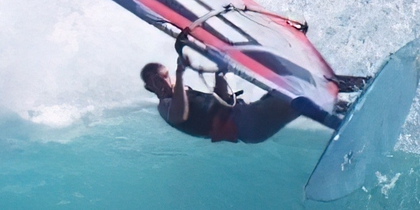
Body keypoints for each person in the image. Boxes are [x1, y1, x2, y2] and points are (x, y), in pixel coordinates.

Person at [139, 48, 346, 144]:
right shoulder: (165, 107)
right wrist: (180, 73)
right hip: (245, 124)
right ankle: (338, 125)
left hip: (246, 116)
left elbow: (224, 99)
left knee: (294, 81)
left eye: (163, 77)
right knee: (295, 98)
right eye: (155, 82)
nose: (162, 84)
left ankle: (345, 103)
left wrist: (221, 72)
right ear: (150, 88)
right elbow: (179, 115)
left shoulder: (186, 93)